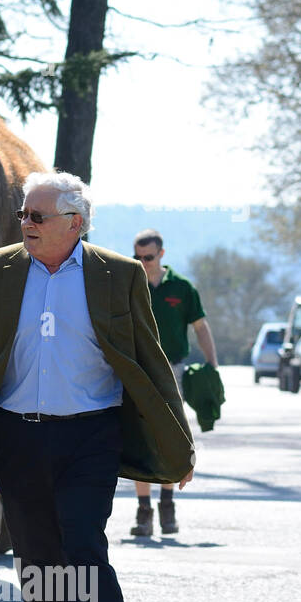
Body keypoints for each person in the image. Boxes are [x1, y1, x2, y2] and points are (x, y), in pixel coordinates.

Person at [0, 172, 193, 602]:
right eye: (23, 216)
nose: (26, 225)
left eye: (38, 216)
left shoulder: (118, 275)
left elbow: (150, 359)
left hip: (91, 434)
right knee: (36, 556)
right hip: (18, 434)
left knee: (83, 542)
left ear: (75, 223)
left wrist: (179, 442)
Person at [129, 228, 217, 536]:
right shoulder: (128, 281)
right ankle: (143, 512)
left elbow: (200, 326)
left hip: (173, 369)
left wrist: (212, 364)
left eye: (148, 257)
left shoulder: (182, 287)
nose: (142, 262)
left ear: (161, 254)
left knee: (168, 437)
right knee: (141, 438)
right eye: (137, 257)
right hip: (138, 370)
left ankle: (167, 507)